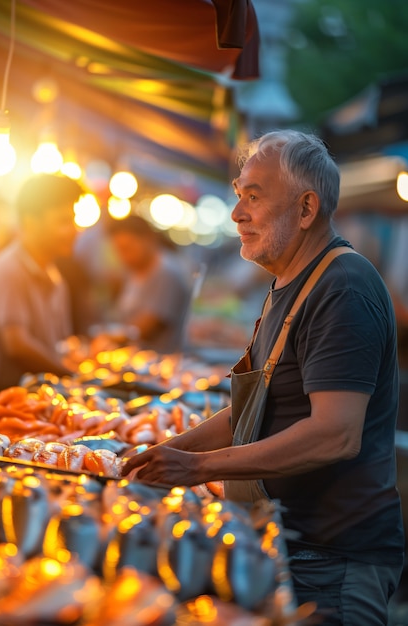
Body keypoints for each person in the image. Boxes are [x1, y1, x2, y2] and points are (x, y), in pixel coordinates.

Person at [123, 130, 405, 625]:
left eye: (254, 197)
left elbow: (335, 434)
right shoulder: (288, 284)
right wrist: (166, 453)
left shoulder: (343, 287)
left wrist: (200, 468)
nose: (237, 213)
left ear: (305, 209)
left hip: (333, 559)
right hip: (287, 541)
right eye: (239, 196)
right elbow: (251, 411)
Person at [0, 174, 84, 420]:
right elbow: (16, 344)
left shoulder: (54, 275)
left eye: (73, 220)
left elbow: (58, 345)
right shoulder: (10, 270)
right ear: (30, 223)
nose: (73, 230)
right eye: (63, 221)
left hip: (33, 405)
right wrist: (72, 375)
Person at [103, 215, 191, 354]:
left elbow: (145, 327)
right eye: (119, 250)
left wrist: (108, 338)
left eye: (128, 248)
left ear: (148, 239)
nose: (123, 256)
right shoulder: (136, 269)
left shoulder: (165, 272)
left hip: (159, 361)